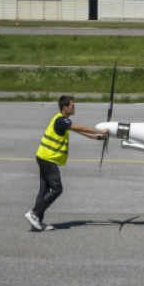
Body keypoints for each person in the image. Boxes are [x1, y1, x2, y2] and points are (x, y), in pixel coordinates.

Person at [25, 95, 107, 232]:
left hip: (43, 156)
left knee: (44, 190)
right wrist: (100, 130)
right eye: (72, 105)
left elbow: (80, 131)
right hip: (48, 158)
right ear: (65, 107)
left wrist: (98, 137)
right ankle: (33, 213)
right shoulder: (60, 120)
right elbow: (81, 127)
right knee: (57, 189)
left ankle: (37, 222)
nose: (74, 107)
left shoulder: (63, 121)